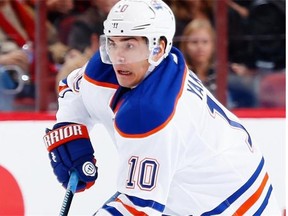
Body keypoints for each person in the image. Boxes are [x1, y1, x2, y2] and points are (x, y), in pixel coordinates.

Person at [43, 0, 281, 215]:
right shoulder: (109, 67)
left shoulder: (153, 111)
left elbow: (138, 208)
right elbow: (73, 89)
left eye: (130, 45)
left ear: (158, 48)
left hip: (237, 207)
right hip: (191, 191)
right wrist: (71, 126)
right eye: (112, 43)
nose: (118, 57)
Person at [179, 18, 216, 96]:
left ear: (213, 45)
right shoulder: (179, 74)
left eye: (205, 42)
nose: (200, 47)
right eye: (194, 42)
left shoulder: (224, 73)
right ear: (185, 45)